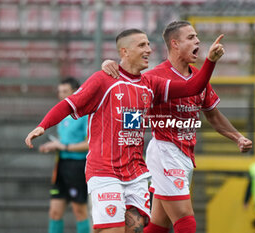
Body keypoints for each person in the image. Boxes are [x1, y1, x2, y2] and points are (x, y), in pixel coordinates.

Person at [25, 28, 225, 233]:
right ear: (124, 52)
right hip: (105, 171)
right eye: (141, 45)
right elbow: (69, 104)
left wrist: (210, 61)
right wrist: (43, 125)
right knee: (113, 230)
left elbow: (192, 87)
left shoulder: (150, 84)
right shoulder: (103, 80)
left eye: (148, 44)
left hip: (136, 174)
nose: (148, 49)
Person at [102, 21, 252, 233]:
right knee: (184, 218)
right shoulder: (154, 77)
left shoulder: (199, 78)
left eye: (197, 37)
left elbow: (213, 115)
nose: (197, 41)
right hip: (165, 151)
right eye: (190, 37)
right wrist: (110, 66)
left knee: (158, 225)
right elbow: (130, 105)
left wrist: (237, 138)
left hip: (184, 156)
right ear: (174, 44)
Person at [38, 77, 90, 233]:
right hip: (61, 165)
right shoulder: (62, 114)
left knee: (79, 211)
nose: (62, 96)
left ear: (76, 92)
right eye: (60, 92)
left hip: (77, 167)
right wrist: (54, 146)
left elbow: (89, 144)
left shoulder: (85, 114)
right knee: (54, 212)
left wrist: (63, 146)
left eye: (65, 92)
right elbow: (64, 140)